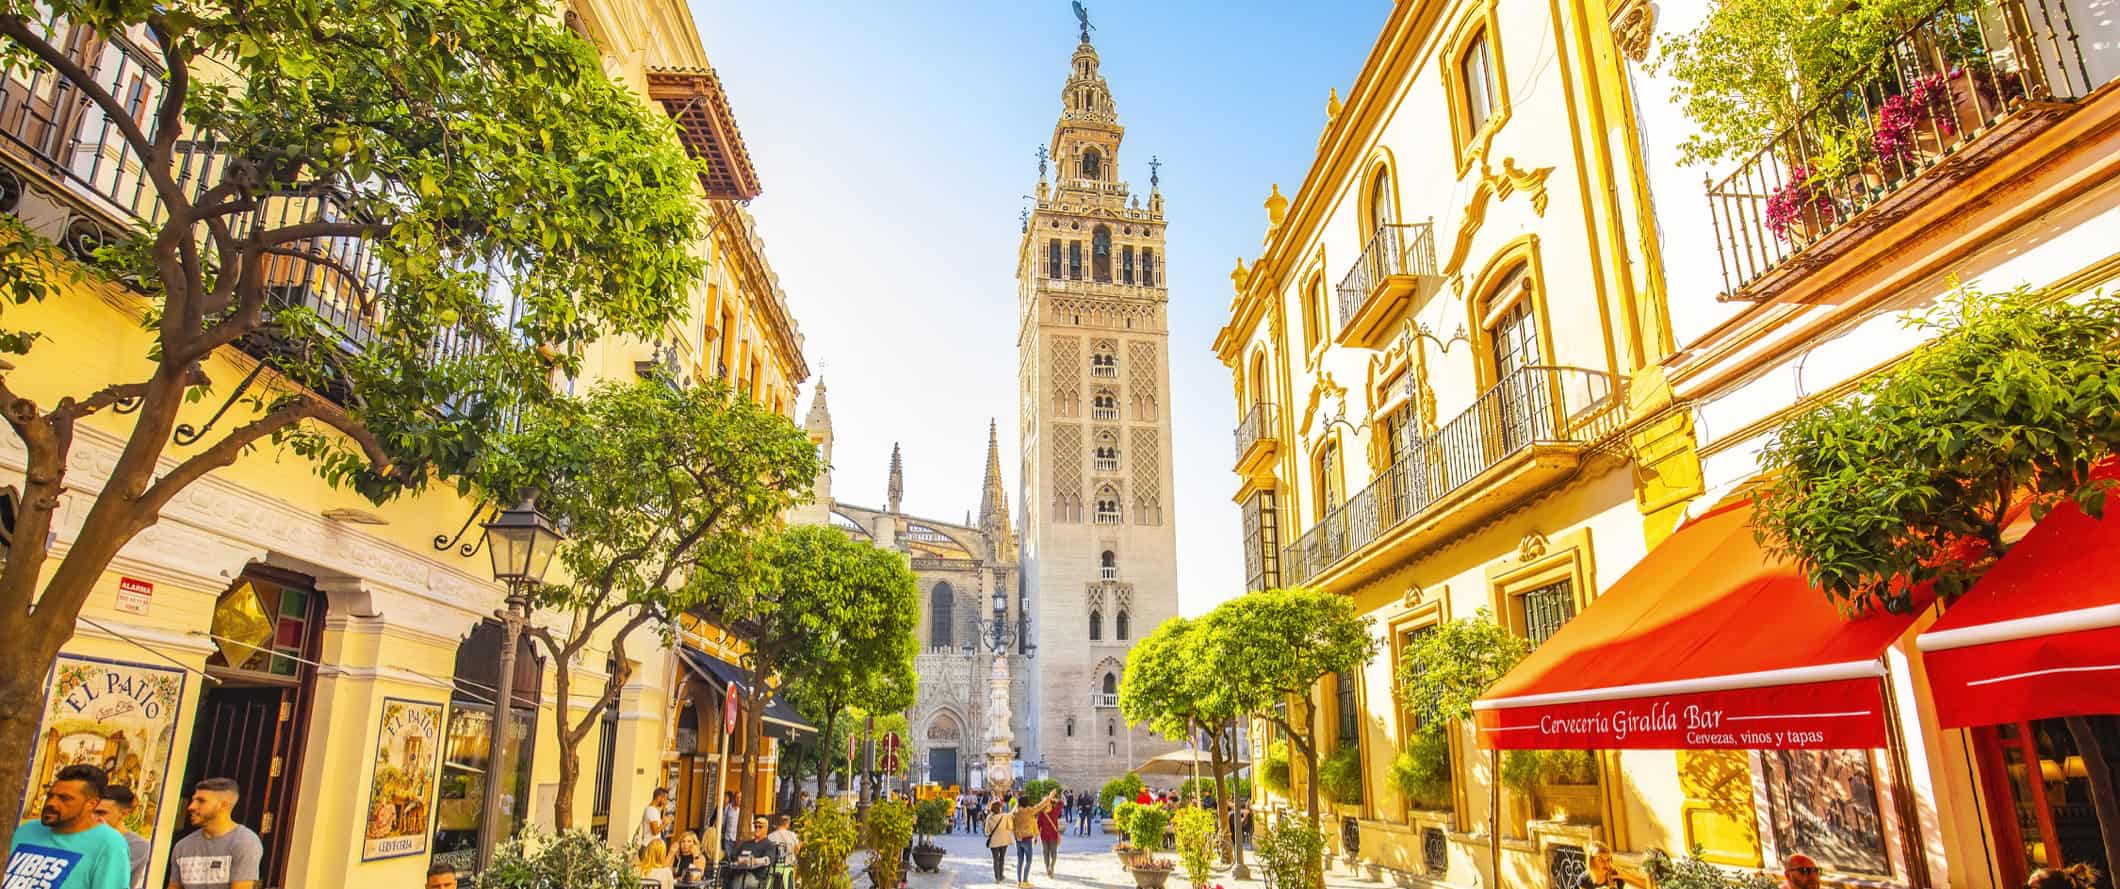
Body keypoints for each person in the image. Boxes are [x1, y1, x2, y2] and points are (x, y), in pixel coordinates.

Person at [7, 763, 133, 889]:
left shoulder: (109, 844)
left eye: (64, 798)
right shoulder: (27, 830)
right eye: (50, 796)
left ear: (91, 804)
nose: (51, 803)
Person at [167, 777, 263, 889]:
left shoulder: (245, 842)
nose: (191, 807)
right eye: (193, 800)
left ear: (223, 806)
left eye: (201, 801)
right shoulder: (182, 847)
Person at [93, 784, 151, 889]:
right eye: (92, 812)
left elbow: (107, 879)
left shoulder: (136, 844)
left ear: (124, 814)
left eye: (101, 813)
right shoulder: (87, 835)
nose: (94, 818)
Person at [1011, 790, 1058, 887]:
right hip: (1027, 839)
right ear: (1027, 803)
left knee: (1020, 861)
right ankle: (1025, 881)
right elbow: (1040, 805)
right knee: (1028, 861)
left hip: (1018, 839)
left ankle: (1019, 882)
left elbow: (1012, 823)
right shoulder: (1029, 811)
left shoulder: (1015, 812)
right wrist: (1049, 797)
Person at [729, 817, 781, 889]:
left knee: (740, 880)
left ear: (766, 829)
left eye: (760, 827)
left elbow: (768, 859)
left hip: (756, 876)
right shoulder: (746, 843)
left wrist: (755, 861)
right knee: (727, 876)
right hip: (739, 872)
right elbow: (734, 856)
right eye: (755, 826)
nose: (757, 829)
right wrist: (738, 860)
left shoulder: (769, 845)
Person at [1036, 791, 1064, 879]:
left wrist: (1051, 797)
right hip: (1044, 836)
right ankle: (1048, 868)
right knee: (1045, 853)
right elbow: (1038, 825)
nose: (1046, 804)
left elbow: (1061, 803)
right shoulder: (1041, 813)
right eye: (1044, 803)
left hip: (1053, 836)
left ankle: (1051, 867)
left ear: (1050, 803)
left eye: (1047, 802)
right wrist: (1036, 837)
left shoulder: (1055, 810)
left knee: (1053, 853)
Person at [983, 800, 1012, 882]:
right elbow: (1010, 827)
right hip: (1004, 840)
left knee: (995, 859)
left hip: (994, 841)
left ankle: (997, 877)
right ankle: (1001, 875)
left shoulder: (989, 817)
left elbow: (986, 831)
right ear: (999, 808)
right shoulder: (1005, 816)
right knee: (1002, 858)